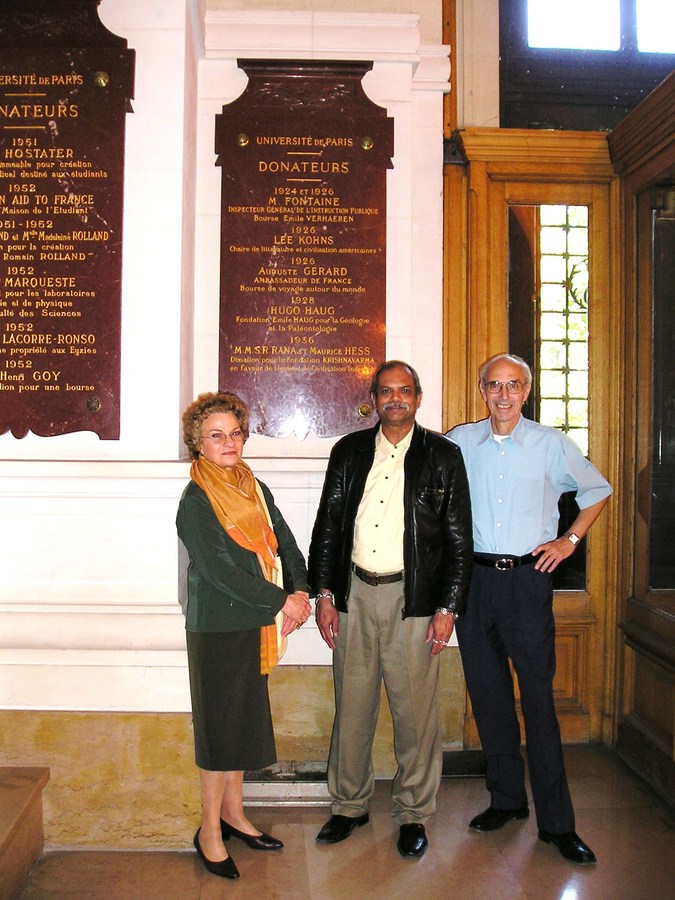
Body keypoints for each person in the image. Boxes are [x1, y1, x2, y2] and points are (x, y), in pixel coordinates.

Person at [448, 353, 612, 865]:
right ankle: (507, 801)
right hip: (475, 584)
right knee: (489, 694)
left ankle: (558, 824)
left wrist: (568, 541)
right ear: (481, 390)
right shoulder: (458, 442)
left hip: (527, 581)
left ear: (527, 391)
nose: (503, 395)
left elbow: (597, 490)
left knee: (539, 703)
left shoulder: (550, 444)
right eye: (494, 385)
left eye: (513, 386)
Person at [308, 360, 473, 858]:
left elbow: (460, 540)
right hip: (354, 593)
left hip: (415, 600)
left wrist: (449, 608)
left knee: (414, 712)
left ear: (418, 398)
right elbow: (329, 525)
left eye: (404, 391)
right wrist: (324, 595)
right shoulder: (350, 451)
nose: (395, 399)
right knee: (353, 704)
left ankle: (413, 812)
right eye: (386, 391)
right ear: (374, 398)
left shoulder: (443, 456)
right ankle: (349, 805)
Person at [176, 391, 312, 879]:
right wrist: (283, 601)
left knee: (240, 724)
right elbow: (217, 572)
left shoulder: (252, 485)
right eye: (216, 435)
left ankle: (234, 814)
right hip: (218, 627)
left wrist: (302, 589)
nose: (228, 442)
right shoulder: (196, 499)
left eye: (234, 432)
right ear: (199, 444)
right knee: (219, 730)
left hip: (254, 622)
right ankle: (209, 831)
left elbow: (286, 541)